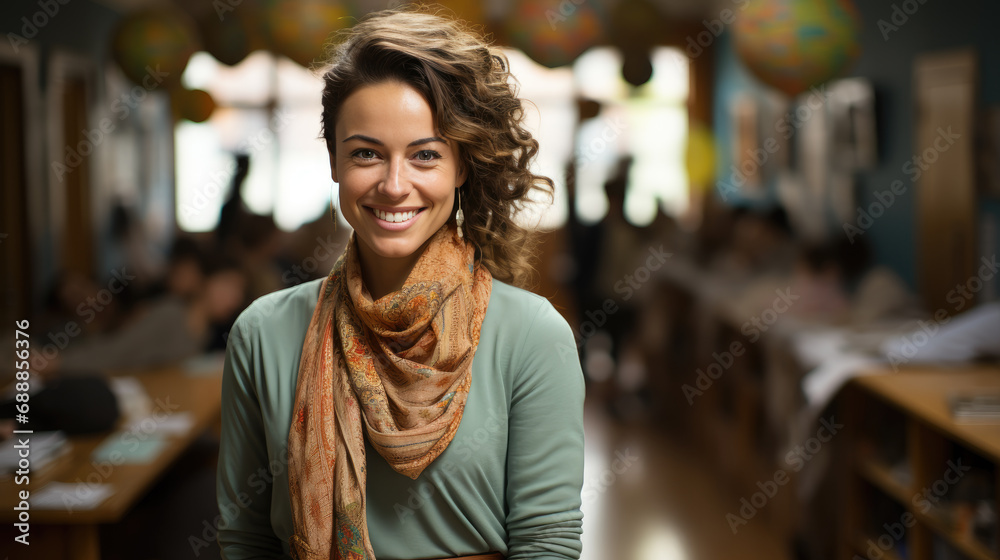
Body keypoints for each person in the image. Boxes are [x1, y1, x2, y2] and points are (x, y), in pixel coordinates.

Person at [216, 8, 586, 560]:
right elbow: (245, 539)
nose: (394, 185)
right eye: (366, 153)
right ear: (334, 162)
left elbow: (546, 544)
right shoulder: (262, 333)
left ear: (461, 167)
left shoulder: (532, 336)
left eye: (425, 156)